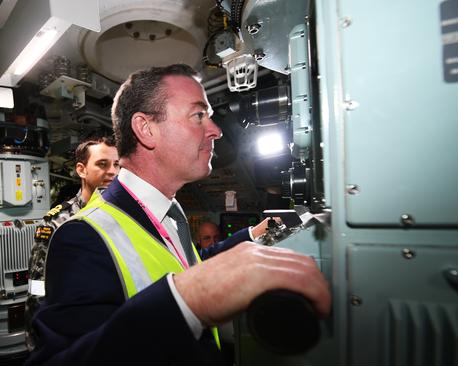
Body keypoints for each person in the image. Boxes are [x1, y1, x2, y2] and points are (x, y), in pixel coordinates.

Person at [26, 64, 330, 365]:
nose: (216, 130)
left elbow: (183, 266)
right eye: (199, 115)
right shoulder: (82, 236)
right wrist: (187, 301)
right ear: (146, 129)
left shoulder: (169, 209)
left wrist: (251, 237)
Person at [23, 136, 120, 350]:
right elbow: (37, 286)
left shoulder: (124, 217)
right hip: (71, 331)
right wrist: (38, 341)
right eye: (102, 164)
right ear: (81, 169)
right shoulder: (57, 221)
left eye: (117, 164)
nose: (112, 172)